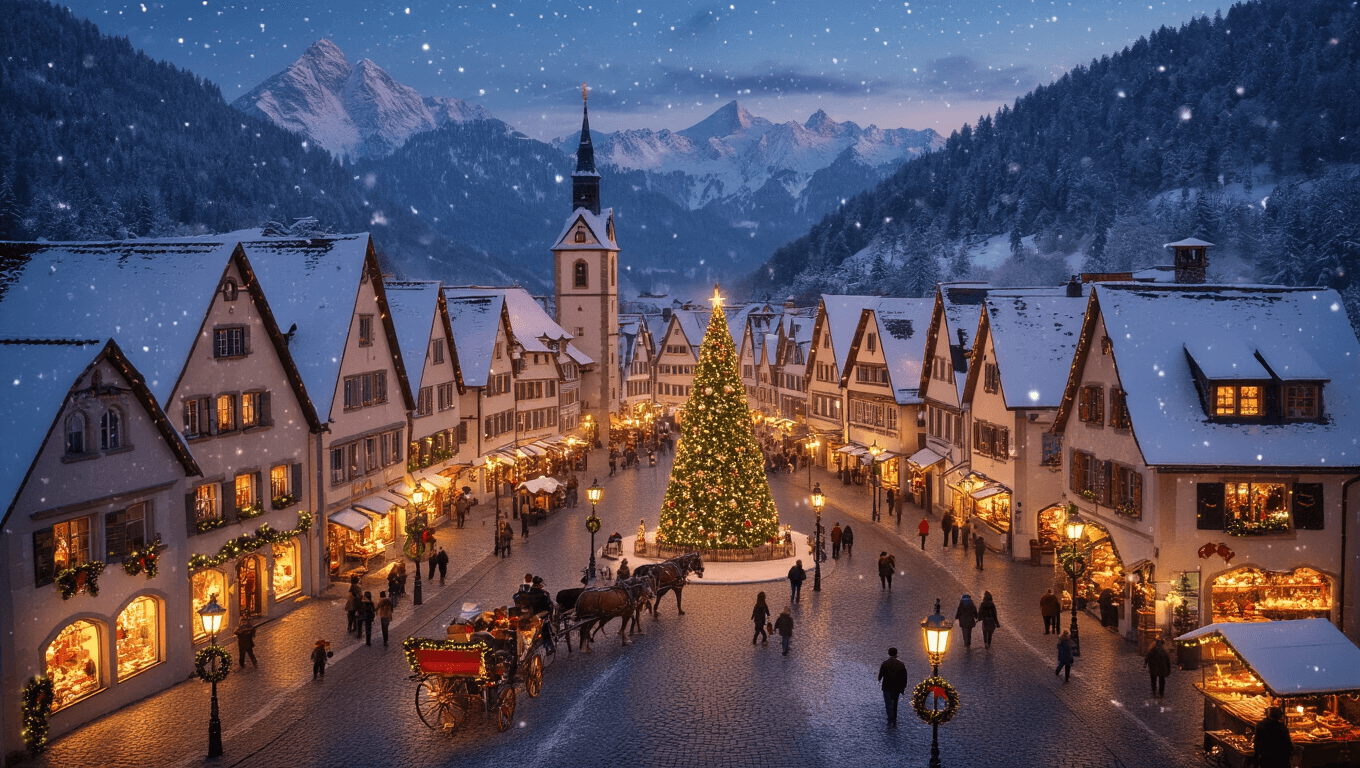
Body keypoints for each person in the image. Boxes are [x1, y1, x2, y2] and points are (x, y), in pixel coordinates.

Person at [877, 647, 909, 727]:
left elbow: (881, 674)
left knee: (888, 703)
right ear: (896, 653)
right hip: (896, 687)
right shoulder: (901, 664)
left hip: (887, 686)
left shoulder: (885, 663)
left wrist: (879, 679)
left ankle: (890, 716)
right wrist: (903, 687)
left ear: (889, 653)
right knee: (895, 702)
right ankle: (894, 717)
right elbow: (904, 677)